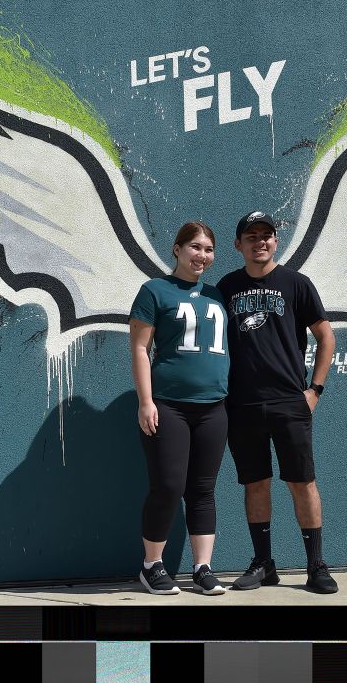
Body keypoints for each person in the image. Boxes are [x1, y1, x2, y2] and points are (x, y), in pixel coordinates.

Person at [216, 211, 339, 594]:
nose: (260, 242)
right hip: (243, 404)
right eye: (251, 236)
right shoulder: (226, 287)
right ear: (238, 245)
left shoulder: (296, 284)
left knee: (303, 483)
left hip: (289, 401)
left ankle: (316, 566)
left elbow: (326, 336)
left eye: (266, 235)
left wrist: (314, 390)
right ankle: (263, 564)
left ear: (275, 241)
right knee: (256, 484)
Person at [128, 221, 231, 595]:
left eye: (208, 249)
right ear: (176, 249)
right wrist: (145, 401)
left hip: (214, 408)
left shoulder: (218, 296)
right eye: (195, 247)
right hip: (168, 406)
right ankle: (151, 565)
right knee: (168, 486)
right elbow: (140, 348)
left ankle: (203, 567)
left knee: (203, 489)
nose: (202, 255)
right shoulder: (155, 291)